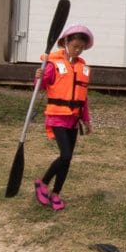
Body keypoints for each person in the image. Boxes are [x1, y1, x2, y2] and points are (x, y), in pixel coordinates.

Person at [34, 24, 94, 212]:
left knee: (67, 160)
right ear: (66, 43)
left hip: (73, 119)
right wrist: (39, 76)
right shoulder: (52, 65)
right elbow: (40, 85)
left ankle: (56, 194)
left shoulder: (82, 68)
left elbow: (83, 97)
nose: (78, 50)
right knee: (65, 155)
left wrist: (86, 120)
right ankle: (42, 183)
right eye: (75, 46)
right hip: (57, 117)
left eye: (81, 48)